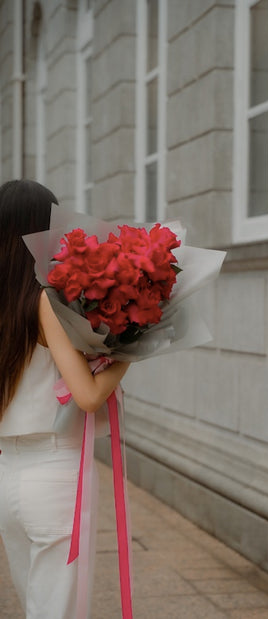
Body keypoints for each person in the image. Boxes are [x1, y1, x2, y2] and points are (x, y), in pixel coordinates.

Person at [0, 179, 130, 618]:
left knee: (33, 602)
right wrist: (129, 348)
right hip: (54, 473)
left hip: (7, 476)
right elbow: (89, 396)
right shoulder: (43, 303)